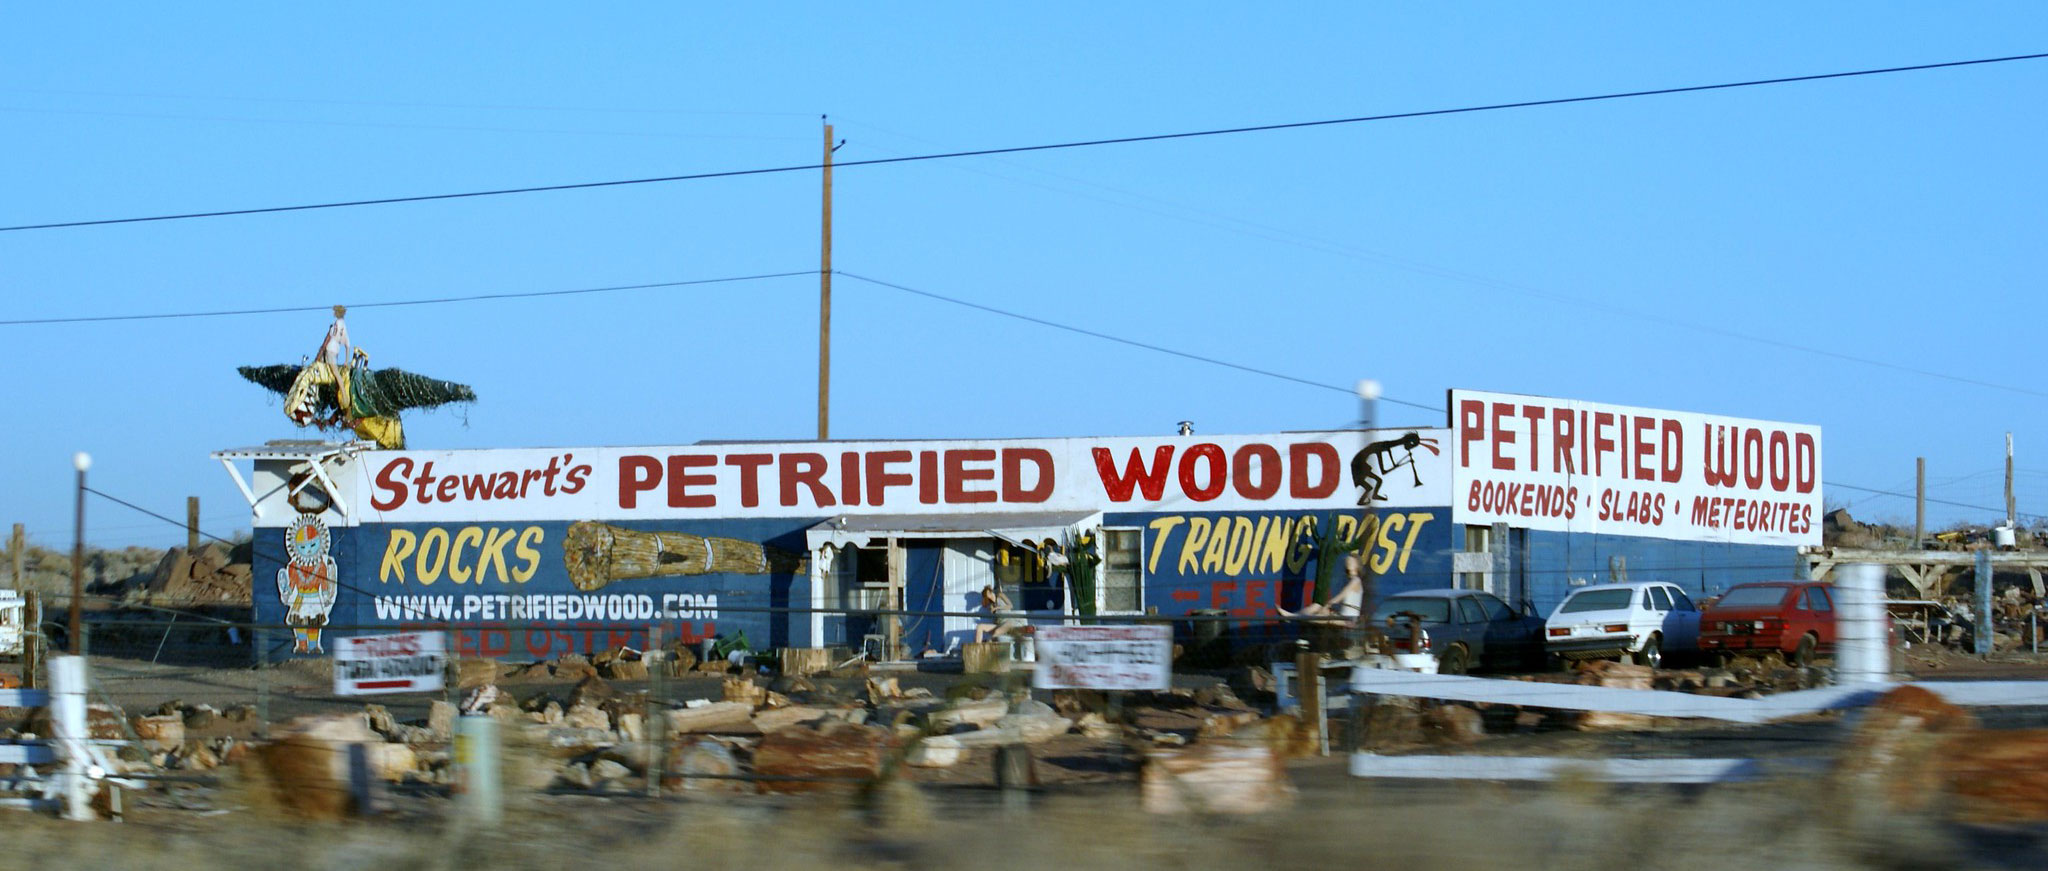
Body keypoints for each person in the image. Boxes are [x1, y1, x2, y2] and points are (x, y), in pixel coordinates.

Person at [1278, 553, 1366, 621]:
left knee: (1317, 612)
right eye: (1347, 561)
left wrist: (1327, 605)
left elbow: (1340, 596)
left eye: (1351, 562)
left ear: (1357, 565)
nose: (1348, 563)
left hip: (1348, 618)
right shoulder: (1350, 580)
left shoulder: (1356, 581)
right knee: (1316, 606)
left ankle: (1292, 617)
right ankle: (1292, 616)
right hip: (1342, 615)